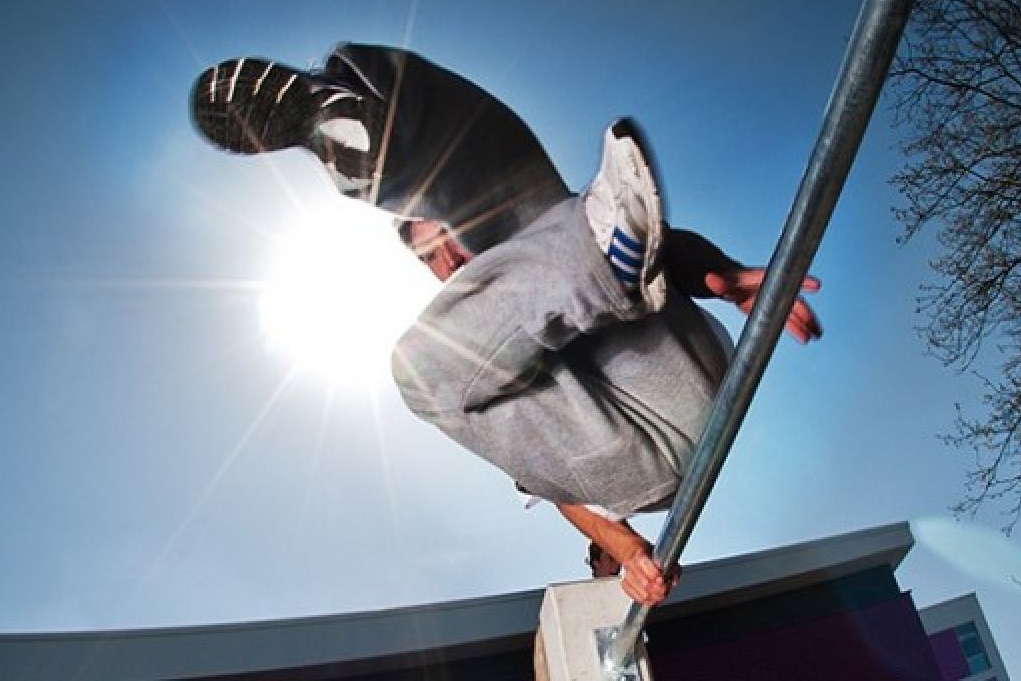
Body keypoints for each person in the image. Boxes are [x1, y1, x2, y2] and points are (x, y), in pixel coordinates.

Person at [190, 44, 822, 606]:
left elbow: (663, 251)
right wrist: (624, 546)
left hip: (676, 369)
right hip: (634, 461)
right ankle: (378, 143)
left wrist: (723, 274)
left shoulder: (559, 235)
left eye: (449, 240)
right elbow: (555, 485)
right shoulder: (475, 327)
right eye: (439, 256)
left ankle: (360, 112)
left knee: (531, 217)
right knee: (425, 366)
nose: (455, 257)